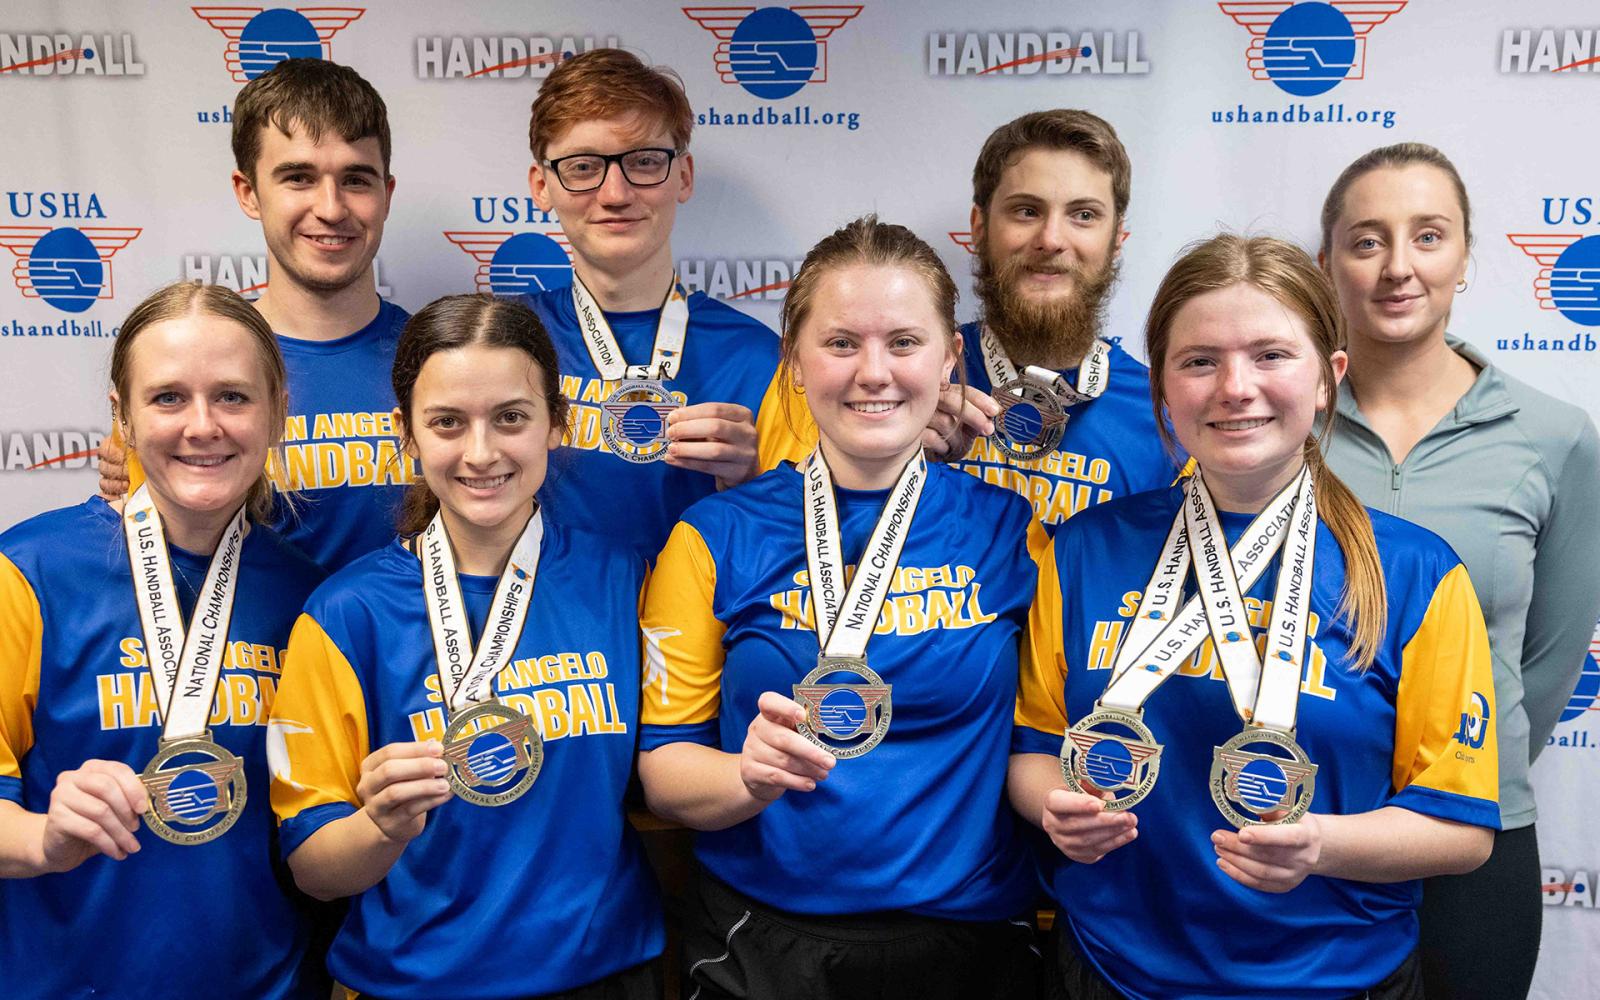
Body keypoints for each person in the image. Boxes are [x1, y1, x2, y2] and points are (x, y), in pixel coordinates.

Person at [1010, 234, 1500, 999]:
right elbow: (1034, 749)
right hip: (1112, 972)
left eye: (1271, 355)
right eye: (1199, 361)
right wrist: (1055, 810)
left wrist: (1322, 845)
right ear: (1164, 390)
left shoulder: (1414, 573)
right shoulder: (1081, 551)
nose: (1235, 387)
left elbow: (1461, 829)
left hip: (1335, 978)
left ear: (1330, 378)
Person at [638, 217, 1043, 1000]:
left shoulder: (1010, 531)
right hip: (760, 942)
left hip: (972, 941)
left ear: (949, 359)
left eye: (903, 342)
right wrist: (745, 779)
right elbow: (664, 771)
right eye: (840, 343)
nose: (873, 373)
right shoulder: (712, 535)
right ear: (793, 362)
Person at [269, 294, 662, 999]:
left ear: (556, 423)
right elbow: (314, 869)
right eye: (448, 422)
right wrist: (381, 827)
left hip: (607, 972)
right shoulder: (346, 614)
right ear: (408, 434)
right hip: (414, 982)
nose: (481, 453)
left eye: (511, 417)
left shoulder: (622, 578)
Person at [1316, 142, 1600, 999]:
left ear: (1467, 256)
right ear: (1327, 263)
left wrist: (1472, 759)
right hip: (1313, 817)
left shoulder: (1553, 435)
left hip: (1478, 830)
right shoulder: (1281, 423)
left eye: (1428, 236)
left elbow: (1549, 658)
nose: (1398, 267)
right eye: (1366, 241)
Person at [0, 282, 324, 997]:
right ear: (122, 415)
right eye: (168, 397)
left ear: (277, 414)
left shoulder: (310, 596)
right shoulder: (27, 572)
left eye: (234, 397)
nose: (202, 425)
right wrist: (44, 838)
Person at [100, 58, 413, 572]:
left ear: (386, 194)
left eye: (356, 179)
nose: (331, 208)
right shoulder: (195, 371)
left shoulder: (441, 363)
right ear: (249, 192)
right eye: (298, 178)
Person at [523, 48, 778, 555]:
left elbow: (804, 547)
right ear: (542, 186)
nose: (615, 193)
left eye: (643, 162)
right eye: (582, 166)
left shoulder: (759, 357)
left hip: (705, 628)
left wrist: (752, 481)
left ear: (683, 176)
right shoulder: (504, 342)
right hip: (540, 629)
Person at [935, 110, 1184, 528]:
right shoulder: (908, 385)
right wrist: (882, 460)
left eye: (1083, 215)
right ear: (979, 226)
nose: (1051, 240)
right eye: (1026, 211)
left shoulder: (1168, 415)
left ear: (1117, 237)